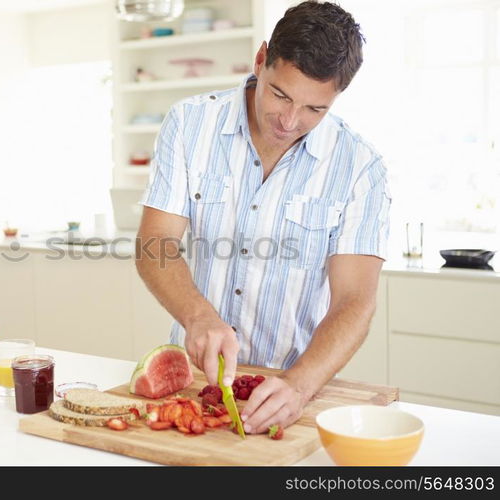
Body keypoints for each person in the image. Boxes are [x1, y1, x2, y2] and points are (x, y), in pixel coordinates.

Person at [135, 0, 391, 435]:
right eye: (280, 94)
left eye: (315, 109)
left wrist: (300, 384)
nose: (290, 121)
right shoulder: (189, 125)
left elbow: (355, 301)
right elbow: (154, 243)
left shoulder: (360, 168)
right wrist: (198, 316)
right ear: (261, 60)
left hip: (292, 388)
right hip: (196, 386)